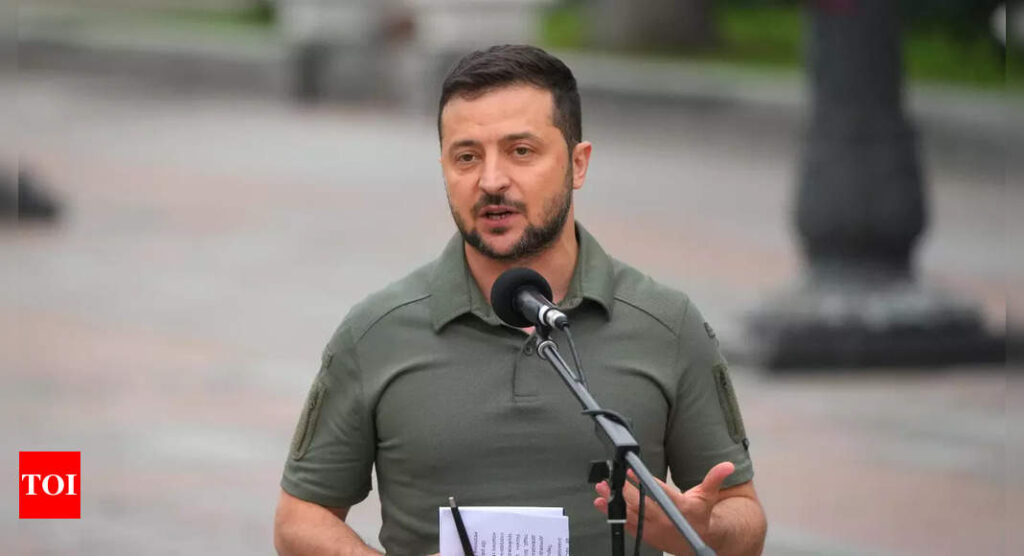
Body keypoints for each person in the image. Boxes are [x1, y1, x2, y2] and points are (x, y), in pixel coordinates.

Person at [273, 44, 766, 556]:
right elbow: (299, 519)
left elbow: (744, 517)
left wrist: (700, 529)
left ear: (578, 164)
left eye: (521, 151)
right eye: (466, 157)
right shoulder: (377, 331)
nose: (491, 181)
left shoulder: (666, 324)